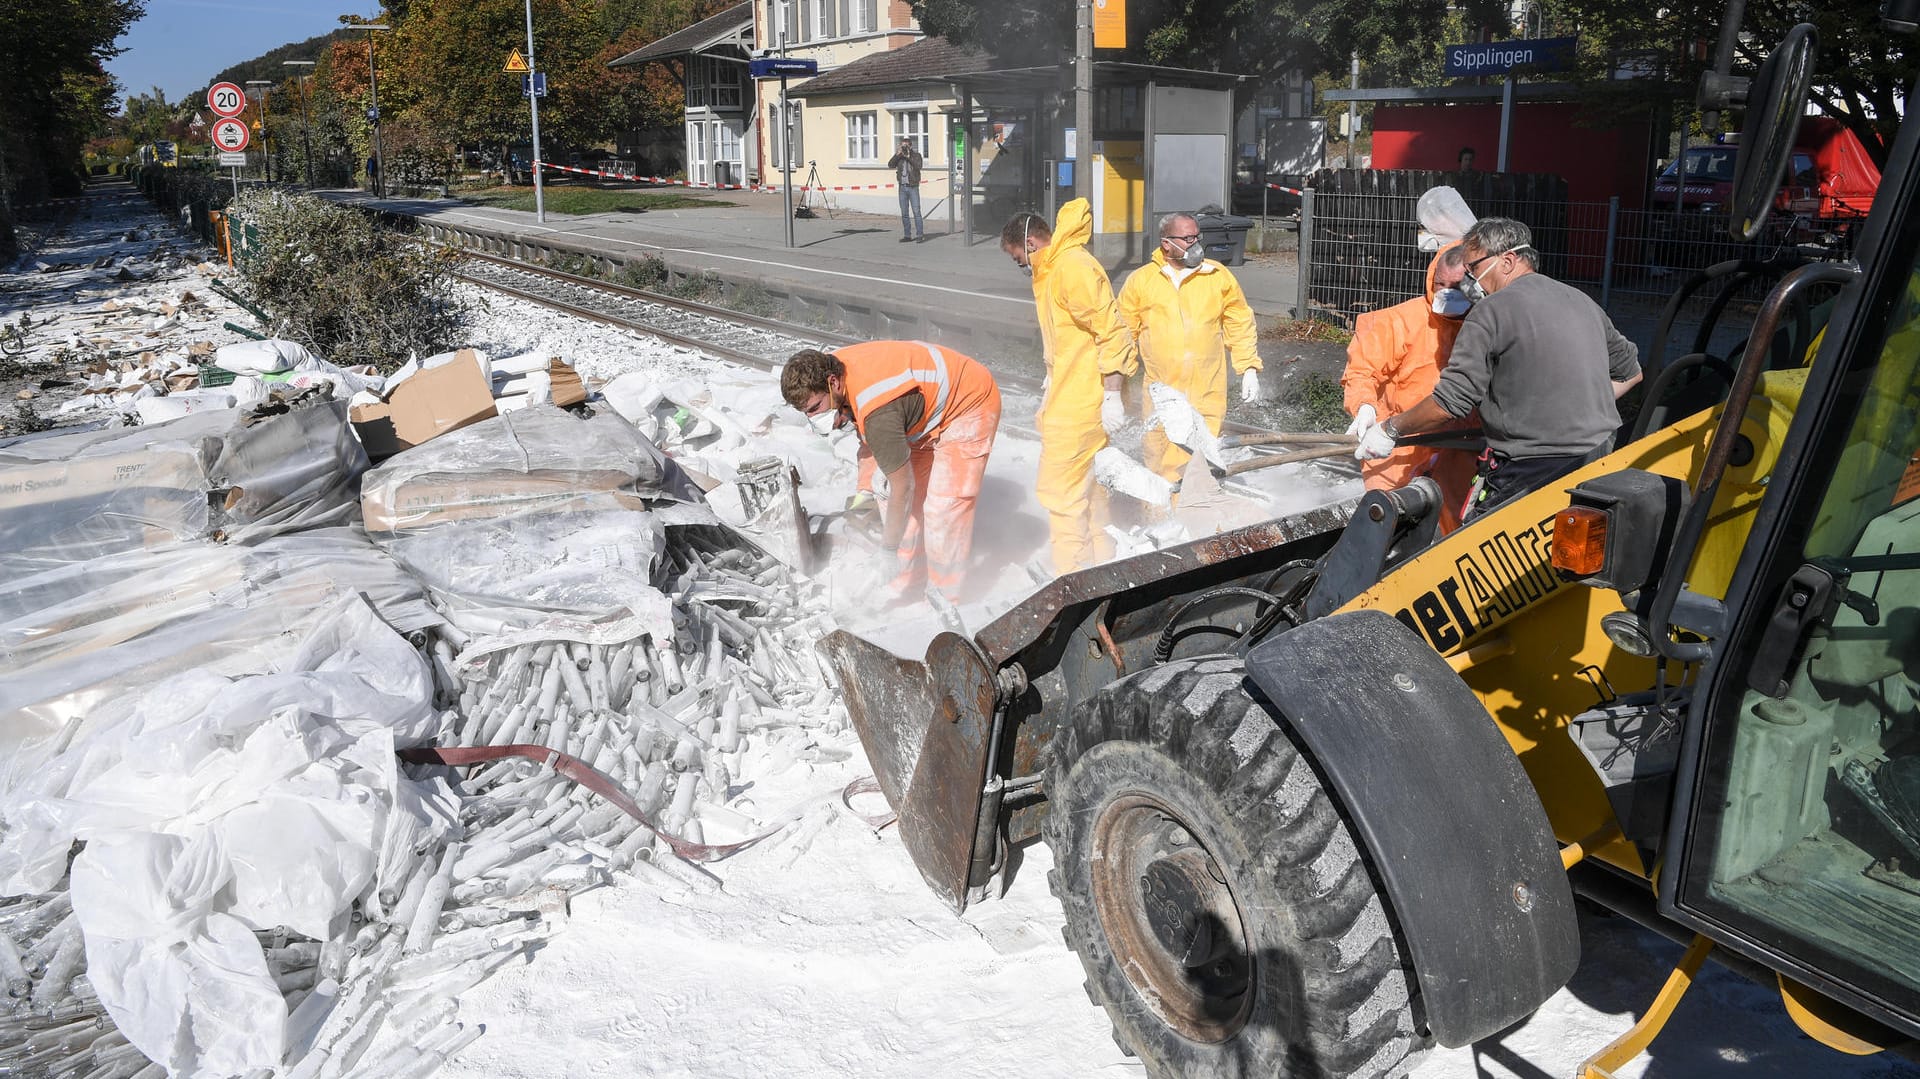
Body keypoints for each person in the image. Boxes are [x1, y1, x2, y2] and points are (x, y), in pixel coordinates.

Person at [1356, 217, 1643, 522]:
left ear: (1508, 260)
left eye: (1474, 269)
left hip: (1532, 467)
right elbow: (1632, 372)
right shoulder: (1582, 301)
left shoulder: (1491, 311)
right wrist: (1580, 404)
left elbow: (1451, 401)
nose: (1470, 281)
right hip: (1600, 455)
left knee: (1484, 559)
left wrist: (1390, 430)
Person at [782, 341, 1001, 601]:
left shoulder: (877, 410)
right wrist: (864, 494)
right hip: (918, 414)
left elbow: (902, 485)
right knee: (886, 493)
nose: (812, 417)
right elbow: (871, 444)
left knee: (942, 509)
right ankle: (907, 581)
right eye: (805, 412)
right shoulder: (827, 370)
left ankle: (946, 597)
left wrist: (887, 549)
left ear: (833, 383)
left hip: (967, 403)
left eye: (815, 408)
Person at [1002, 199, 1139, 573]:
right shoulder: (1054, 269)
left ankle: (1071, 579)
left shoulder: (1070, 269)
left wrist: (1112, 395)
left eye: (1019, 258)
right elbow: (1069, 334)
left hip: (1079, 405)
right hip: (1073, 393)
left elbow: (1111, 332)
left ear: (1030, 243)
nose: (1021, 267)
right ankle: (1101, 564)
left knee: (1060, 495)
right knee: (1089, 492)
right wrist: (1052, 372)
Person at [1342, 243, 1480, 531]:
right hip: (1395, 447)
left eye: (1454, 286)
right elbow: (1362, 369)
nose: (1444, 291)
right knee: (1388, 529)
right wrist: (1365, 405)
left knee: (1454, 532)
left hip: (1459, 448)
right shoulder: (1399, 321)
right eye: (1439, 283)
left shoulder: (1485, 324)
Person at [1117, 211, 1261, 487]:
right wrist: (1114, 386)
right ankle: (1161, 521)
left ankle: (1197, 524)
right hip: (1162, 395)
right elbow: (1122, 334)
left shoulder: (1217, 276)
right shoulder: (1142, 281)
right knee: (1161, 464)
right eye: (1187, 238)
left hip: (1207, 392)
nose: (1196, 244)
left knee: (1202, 467)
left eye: (1197, 236)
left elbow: (1239, 321)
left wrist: (1248, 366)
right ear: (1166, 243)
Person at [886, 138, 924, 242]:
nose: (904, 148)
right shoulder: (900, 157)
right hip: (902, 187)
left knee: (916, 212)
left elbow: (918, 166)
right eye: (902, 146)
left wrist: (908, 157)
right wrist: (897, 154)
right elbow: (890, 165)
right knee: (904, 213)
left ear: (910, 146)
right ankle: (907, 235)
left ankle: (920, 235)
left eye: (906, 146)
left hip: (913, 187)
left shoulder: (916, 155)